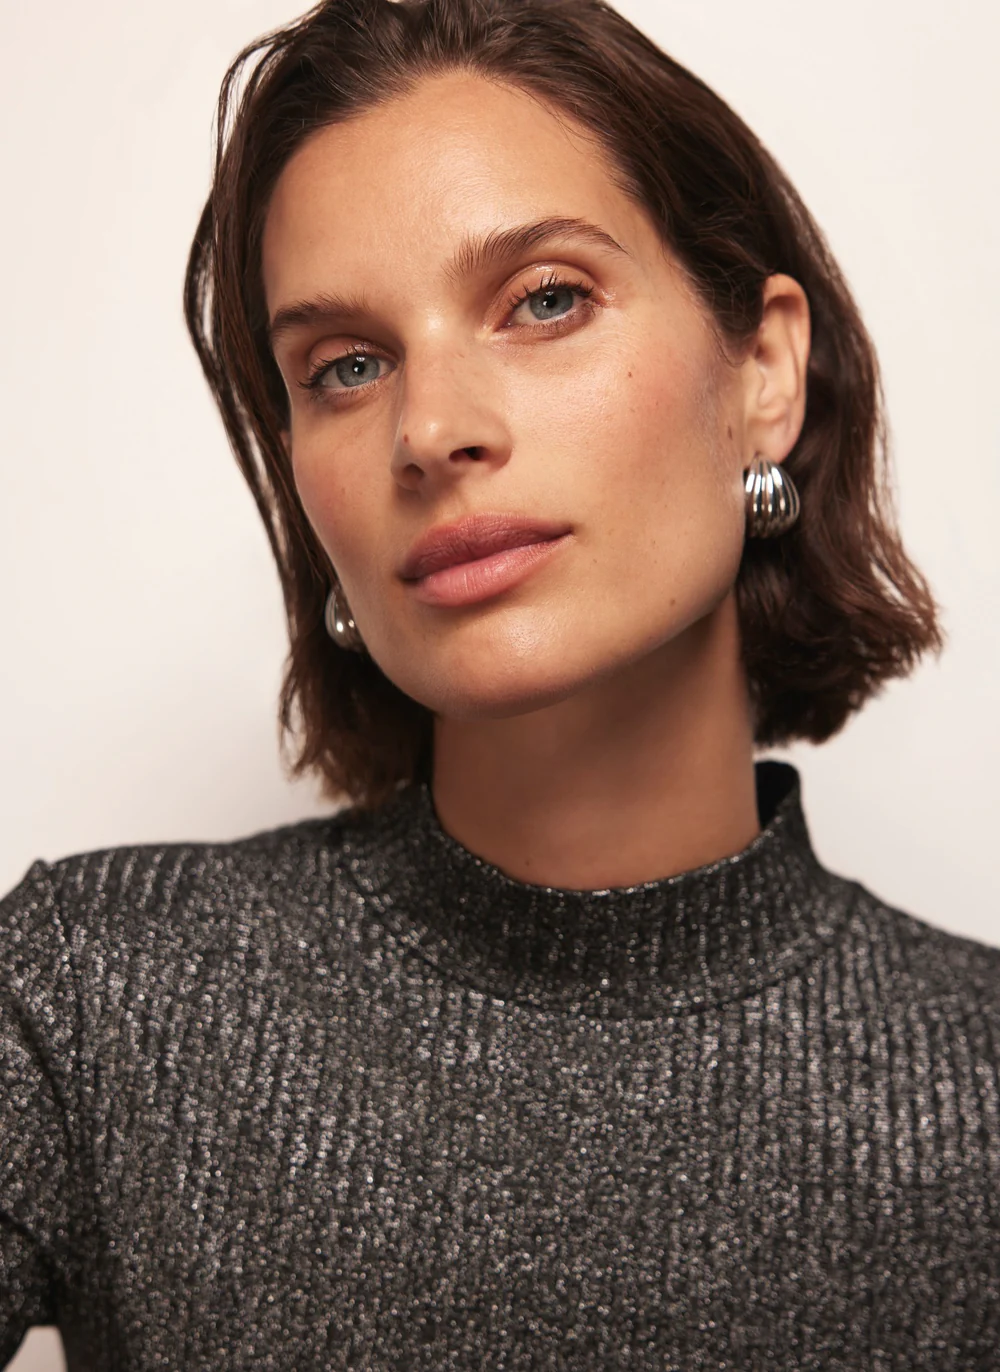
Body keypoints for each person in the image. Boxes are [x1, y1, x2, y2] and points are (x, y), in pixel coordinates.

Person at [2, 0, 997, 1366]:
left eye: (545, 300)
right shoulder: (95, 998)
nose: (431, 430)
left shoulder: (976, 1093)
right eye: (346, 367)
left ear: (764, 374)